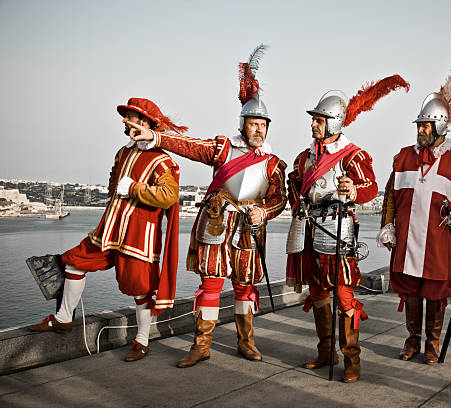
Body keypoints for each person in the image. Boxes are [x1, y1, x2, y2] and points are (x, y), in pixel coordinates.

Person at [131, 45, 287, 367]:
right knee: (211, 287)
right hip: (217, 224)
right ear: (243, 124)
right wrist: (158, 138)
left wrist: (264, 212)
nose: (259, 129)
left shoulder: (273, 164)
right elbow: (189, 146)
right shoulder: (222, 149)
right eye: (254, 124)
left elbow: (279, 199)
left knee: (245, 289)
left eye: (263, 125)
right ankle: (201, 346)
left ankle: (246, 343)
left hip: (248, 230)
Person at [28, 97, 184, 362]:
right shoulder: (123, 152)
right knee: (75, 262)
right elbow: (114, 188)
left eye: (131, 117)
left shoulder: (161, 160)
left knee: (140, 290)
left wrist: (134, 188)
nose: (125, 121)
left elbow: (169, 196)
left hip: (138, 237)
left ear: (145, 123)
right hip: (109, 231)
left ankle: (142, 341)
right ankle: (64, 318)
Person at [286, 75, 408, 382]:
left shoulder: (354, 155)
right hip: (310, 232)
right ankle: (326, 352)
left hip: (338, 233)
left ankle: (351, 361)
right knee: (317, 294)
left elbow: (371, 187)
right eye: (313, 119)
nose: (313, 124)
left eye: (319, 119)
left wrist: (352, 188)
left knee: (343, 297)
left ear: (334, 122)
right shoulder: (304, 158)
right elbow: (297, 191)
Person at [378, 57, 451, 365]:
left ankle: (432, 344)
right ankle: (412, 340)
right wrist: (387, 225)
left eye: (425, 125)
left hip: (436, 238)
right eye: (419, 125)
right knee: (412, 291)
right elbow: (391, 195)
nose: (420, 130)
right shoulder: (403, 157)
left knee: (435, 292)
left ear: (440, 126)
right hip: (406, 238)